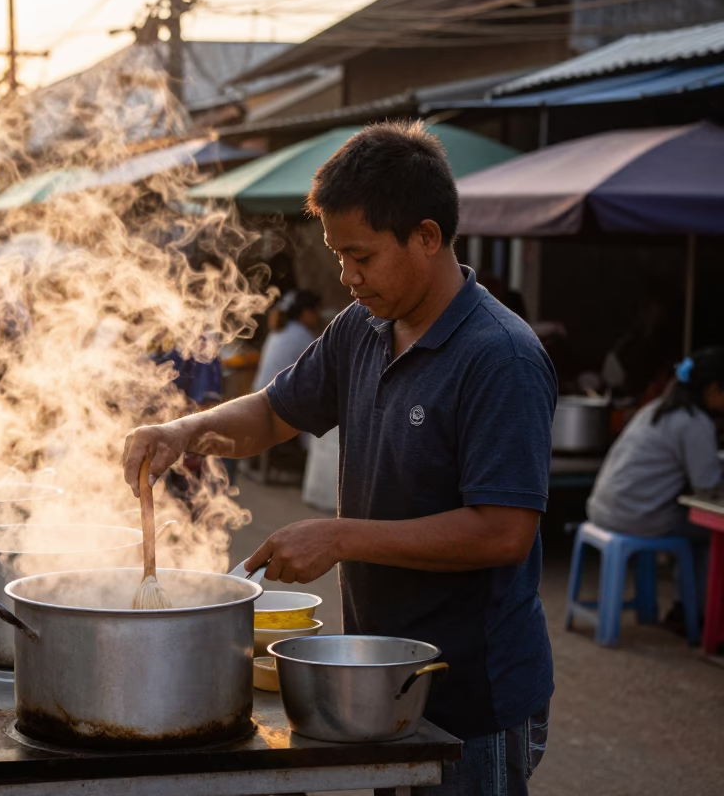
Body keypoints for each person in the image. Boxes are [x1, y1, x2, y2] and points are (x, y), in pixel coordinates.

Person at [122, 121, 554, 795]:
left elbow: (504, 532)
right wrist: (184, 431)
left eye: (361, 257)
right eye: (337, 256)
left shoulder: (500, 357)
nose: (347, 277)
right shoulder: (364, 327)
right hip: (380, 677)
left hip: (473, 693)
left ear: (428, 237)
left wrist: (339, 536)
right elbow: (273, 412)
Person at [587, 347, 724, 618]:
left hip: (603, 508)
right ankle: (696, 613)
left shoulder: (657, 409)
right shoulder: (694, 423)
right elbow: (706, 486)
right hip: (637, 515)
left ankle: (687, 607)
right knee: (712, 532)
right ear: (713, 389)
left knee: (694, 524)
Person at [252, 290, 322, 392]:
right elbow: (320, 370)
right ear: (306, 313)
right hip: (274, 399)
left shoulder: (280, 331)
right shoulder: (300, 336)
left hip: (261, 393)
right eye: (316, 312)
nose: (318, 317)